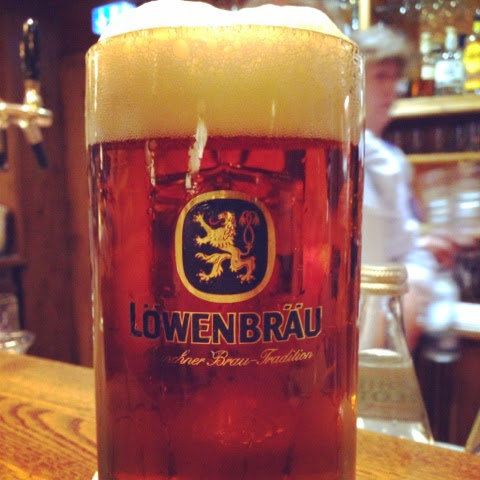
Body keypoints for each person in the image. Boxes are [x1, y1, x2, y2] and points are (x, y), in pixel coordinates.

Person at [350, 24, 456, 351]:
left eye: (394, 78)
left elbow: (394, 247)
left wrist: (419, 253)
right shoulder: (335, 153)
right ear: (350, 78)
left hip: (370, 333)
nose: (391, 89)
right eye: (380, 76)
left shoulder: (389, 160)